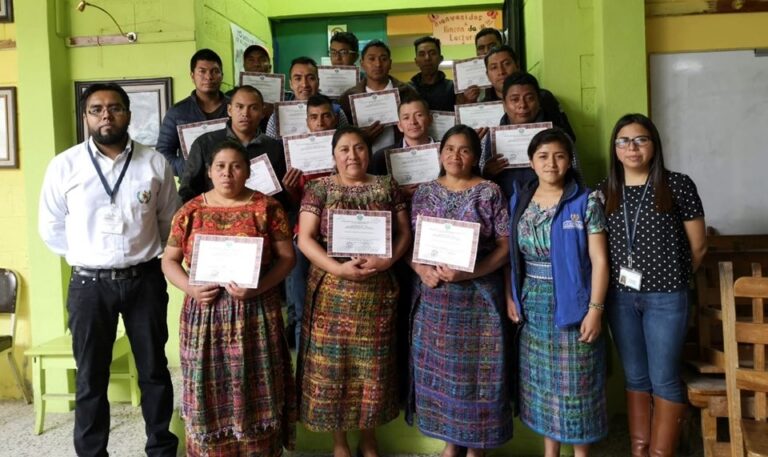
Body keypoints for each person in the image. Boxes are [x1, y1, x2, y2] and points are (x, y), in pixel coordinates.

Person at [38, 83, 180, 457]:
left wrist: (142, 255)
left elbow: (170, 222)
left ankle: (161, 448)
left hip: (144, 280)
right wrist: (89, 256)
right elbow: (50, 226)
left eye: (114, 108)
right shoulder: (64, 165)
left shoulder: (154, 163)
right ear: (86, 117)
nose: (106, 116)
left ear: (128, 114)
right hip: (89, 284)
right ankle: (91, 453)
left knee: (153, 371)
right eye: (97, 109)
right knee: (90, 376)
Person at [161, 139, 297, 456]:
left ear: (248, 171)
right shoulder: (190, 212)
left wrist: (259, 287)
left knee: (256, 383)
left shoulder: (267, 208)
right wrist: (191, 288)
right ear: (209, 172)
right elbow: (168, 260)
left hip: (255, 312)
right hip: (204, 316)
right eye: (220, 167)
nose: (228, 173)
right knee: (206, 383)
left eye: (236, 166)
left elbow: (287, 258)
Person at [296, 126, 412, 457]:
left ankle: (369, 439)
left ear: (368, 152)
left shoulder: (387, 186)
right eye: (344, 149)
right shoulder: (318, 188)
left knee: (372, 369)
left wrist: (388, 260)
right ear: (333, 155)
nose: (352, 155)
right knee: (334, 369)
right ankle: (339, 443)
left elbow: (404, 232)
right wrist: (337, 269)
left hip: (377, 291)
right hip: (332, 292)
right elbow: (304, 239)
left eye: (359, 148)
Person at [600, 113, 706, 457]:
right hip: (620, 298)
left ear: (654, 145)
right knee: (635, 378)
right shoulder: (605, 191)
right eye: (624, 141)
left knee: (663, 378)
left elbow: (699, 245)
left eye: (641, 139)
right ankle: (639, 450)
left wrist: (674, 278)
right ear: (615, 149)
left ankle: (660, 453)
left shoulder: (677, 185)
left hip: (666, 298)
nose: (632, 147)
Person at [408, 125, 512, 457]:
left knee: (478, 376)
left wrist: (473, 271)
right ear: (440, 154)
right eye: (450, 149)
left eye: (465, 150)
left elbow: (506, 246)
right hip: (436, 298)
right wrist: (421, 270)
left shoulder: (490, 192)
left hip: (479, 300)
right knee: (441, 372)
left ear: (475, 157)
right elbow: (411, 245)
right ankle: (450, 444)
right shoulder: (424, 192)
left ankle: (477, 448)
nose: (456, 155)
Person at [506, 128, 609, 457]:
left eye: (560, 156)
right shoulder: (520, 198)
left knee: (576, 386)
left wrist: (595, 309)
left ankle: (581, 454)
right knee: (543, 387)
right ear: (532, 162)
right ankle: (550, 453)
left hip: (574, 303)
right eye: (543, 156)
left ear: (570, 161)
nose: (551, 163)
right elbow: (512, 256)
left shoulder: (586, 200)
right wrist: (511, 296)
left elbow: (600, 259)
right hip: (531, 305)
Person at [283, 93, 341, 348]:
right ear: (307, 122)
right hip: (304, 236)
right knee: (300, 307)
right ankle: (301, 376)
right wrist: (291, 188)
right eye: (314, 118)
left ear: (335, 118)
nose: (320, 122)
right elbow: (297, 203)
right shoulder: (298, 153)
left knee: (336, 310)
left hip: (341, 237)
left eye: (326, 115)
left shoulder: (346, 150)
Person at [177, 85, 289, 208]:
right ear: (229, 110)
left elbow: (281, 196)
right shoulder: (205, 143)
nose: (245, 113)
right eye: (239, 107)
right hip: (213, 218)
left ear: (262, 112)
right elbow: (187, 192)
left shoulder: (274, 147)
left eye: (253, 108)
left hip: (261, 219)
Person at [481, 71, 580, 197]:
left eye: (529, 98)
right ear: (504, 104)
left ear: (539, 101)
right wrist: (486, 174)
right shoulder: (489, 139)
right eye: (515, 99)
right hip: (502, 210)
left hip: (550, 210)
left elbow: (578, 179)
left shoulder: (560, 137)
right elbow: (475, 187)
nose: (522, 105)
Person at [157, 49, 228, 176]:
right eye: (202, 71)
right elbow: (163, 153)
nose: (209, 77)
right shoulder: (177, 112)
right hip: (192, 186)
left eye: (215, 71)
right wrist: (186, 167)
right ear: (192, 76)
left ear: (222, 75)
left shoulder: (235, 107)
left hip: (231, 182)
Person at [339, 40, 419, 151]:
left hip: (401, 158)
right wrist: (361, 138)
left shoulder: (407, 93)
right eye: (371, 59)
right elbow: (341, 137)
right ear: (362, 64)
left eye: (383, 59)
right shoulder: (348, 98)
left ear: (390, 63)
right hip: (364, 163)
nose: (378, 64)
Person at [265, 56, 349, 139]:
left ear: (318, 81)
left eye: (311, 78)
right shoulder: (277, 116)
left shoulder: (336, 111)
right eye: (298, 79)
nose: (305, 84)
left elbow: (346, 142)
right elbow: (270, 147)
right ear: (290, 84)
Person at [369, 92, 434, 181]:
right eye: (406, 118)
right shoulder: (381, 157)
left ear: (430, 120)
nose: (413, 122)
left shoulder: (446, 152)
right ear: (400, 126)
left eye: (419, 115)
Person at [410, 36, 456, 112]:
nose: (427, 58)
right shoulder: (408, 90)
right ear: (416, 61)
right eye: (422, 54)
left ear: (440, 58)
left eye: (432, 53)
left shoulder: (452, 88)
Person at [241, 44, 273, 132]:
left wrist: (275, 112)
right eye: (251, 60)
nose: (256, 64)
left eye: (262, 59)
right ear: (244, 66)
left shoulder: (284, 97)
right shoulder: (232, 96)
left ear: (270, 67)